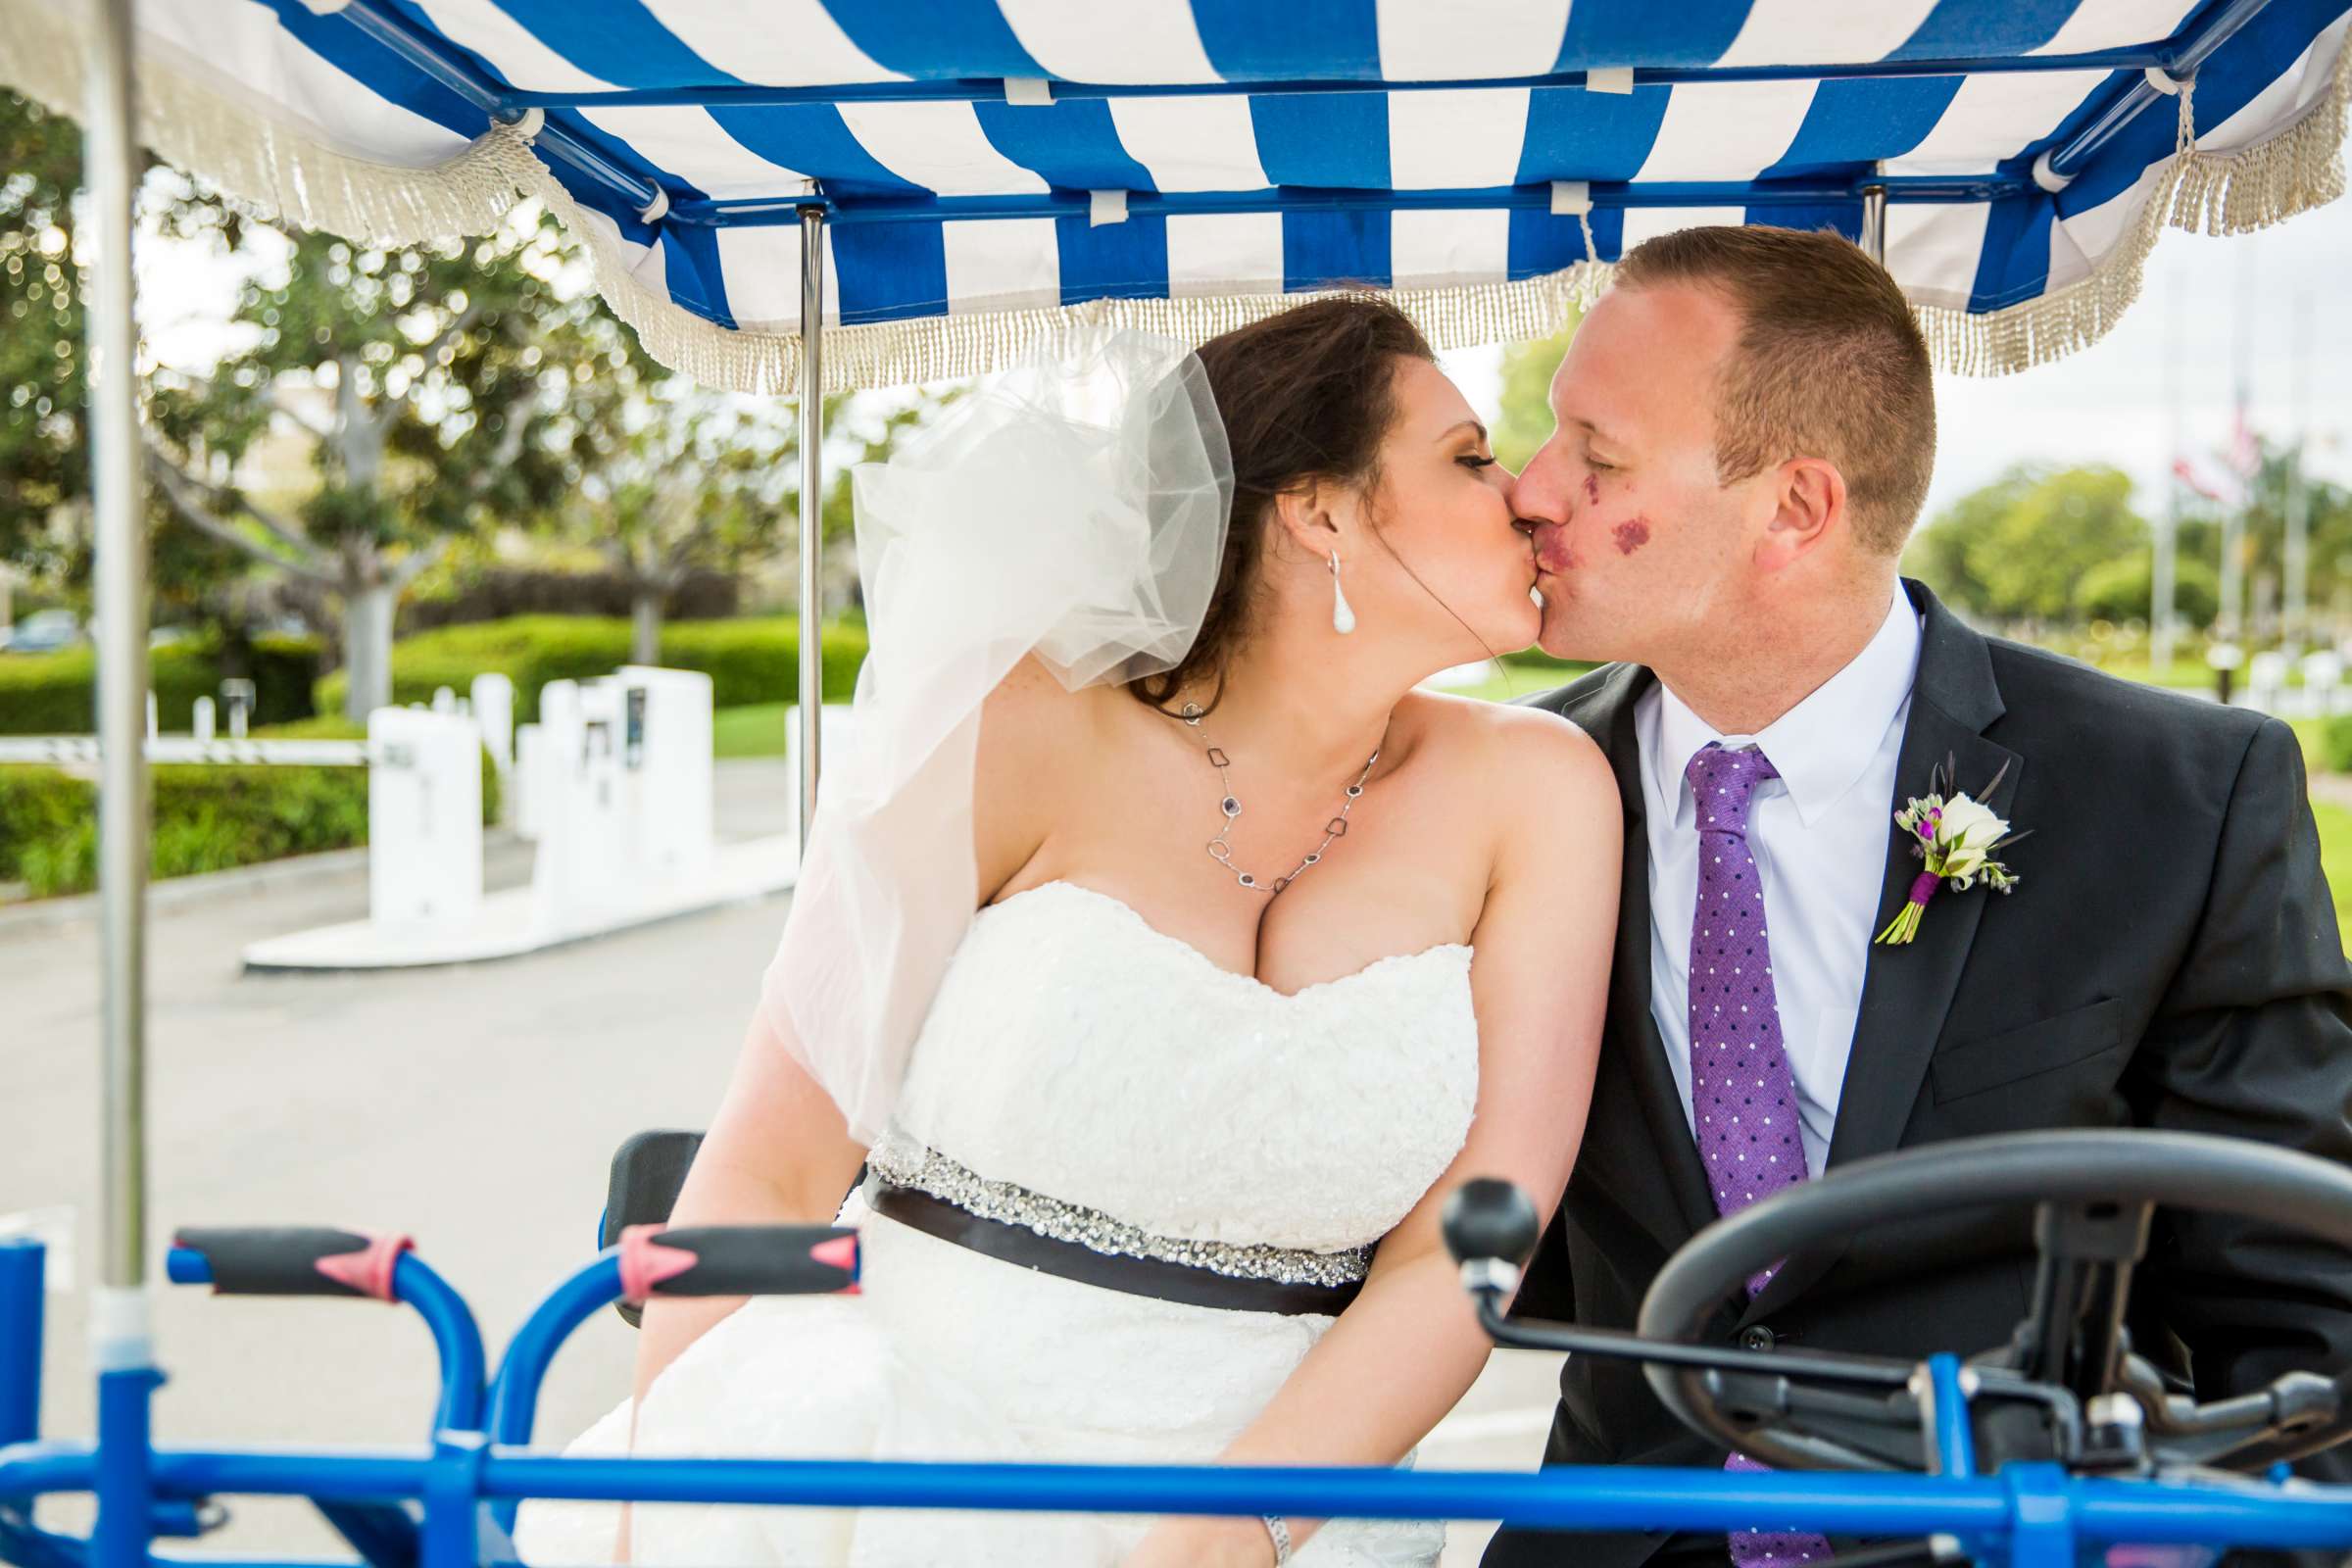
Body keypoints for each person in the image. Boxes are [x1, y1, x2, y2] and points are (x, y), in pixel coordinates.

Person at [514, 300, 1621, 1568]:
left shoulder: (1540, 789)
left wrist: (1229, 1538)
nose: (1530, 497)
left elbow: (1470, 1246)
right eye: (1470, 457)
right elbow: (770, 1170)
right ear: (1321, 511)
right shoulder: (1017, 723)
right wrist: (680, 1493)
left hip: (1290, 1501)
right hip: (890, 1455)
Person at [1483, 223, 2352, 1568]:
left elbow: (2299, 1300)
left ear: (1796, 507)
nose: (1532, 493)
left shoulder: (2180, 795)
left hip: (2013, 1536)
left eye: (1597, 460)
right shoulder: (1509, 788)